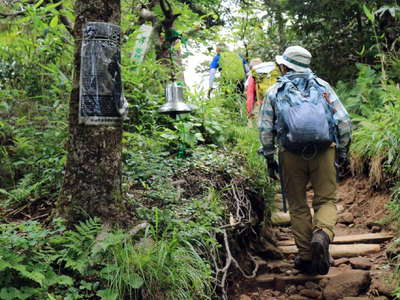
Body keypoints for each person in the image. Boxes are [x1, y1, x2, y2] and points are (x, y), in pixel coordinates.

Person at [258, 46, 352, 275]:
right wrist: (342, 153)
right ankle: (322, 234)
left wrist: (270, 157)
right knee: (326, 200)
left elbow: (265, 129)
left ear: (285, 66)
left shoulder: (275, 91)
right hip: (324, 151)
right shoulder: (323, 87)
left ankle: (306, 256)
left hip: (290, 154)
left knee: (298, 205)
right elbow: (344, 121)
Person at [246, 58, 279, 127]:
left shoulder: (253, 77)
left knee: (264, 126)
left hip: (262, 104)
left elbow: (250, 96)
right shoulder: (272, 73)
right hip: (277, 101)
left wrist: (249, 112)